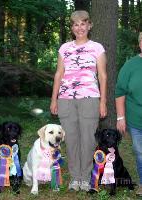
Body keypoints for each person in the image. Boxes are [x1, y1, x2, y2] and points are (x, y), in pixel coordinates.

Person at [50, 10, 107, 191]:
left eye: (83, 23)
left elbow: (103, 76)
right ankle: (75, 177)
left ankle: (85, 176)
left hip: (90, 99)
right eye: (75, 24)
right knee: (71, 139)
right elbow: (59, 74)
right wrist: (54, 99)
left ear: (89, 25)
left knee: (88, 140)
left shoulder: (97, 48)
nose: (79, 27)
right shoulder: (64, 49)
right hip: (66, 100)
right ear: (72, 28)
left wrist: (103, 101)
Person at [115, 32, 142, 196]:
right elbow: (120, 92)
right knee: (140, 152)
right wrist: (120, 117)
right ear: (140, 43)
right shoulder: (130, 65)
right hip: (135, 120)